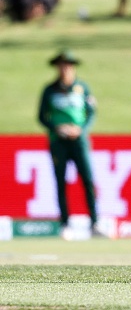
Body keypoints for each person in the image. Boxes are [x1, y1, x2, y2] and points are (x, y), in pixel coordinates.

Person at [38, 49, 99, 237]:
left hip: (79, 141)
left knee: (87, 179)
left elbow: (91, 113)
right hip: (58, 142)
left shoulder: (82, 88)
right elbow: (42, 117)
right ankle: (65, 224)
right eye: (62, 66)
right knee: (60, 181)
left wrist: (81, 129)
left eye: (68, 65)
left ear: (73, 68)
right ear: (57, 68)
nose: (65, 69)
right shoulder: (50, 90)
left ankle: (94, 223)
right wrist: (57, 128)